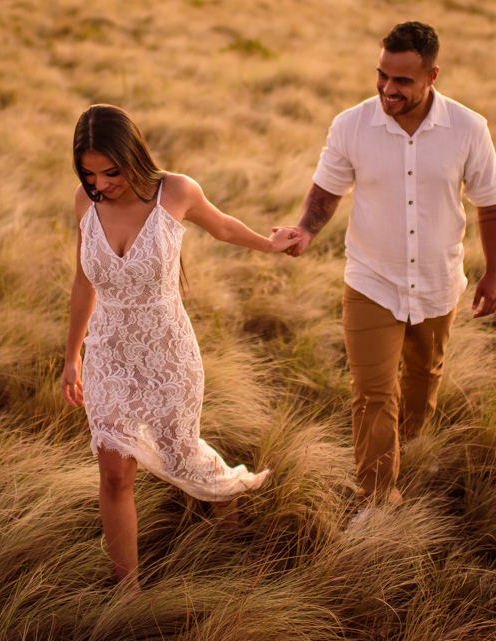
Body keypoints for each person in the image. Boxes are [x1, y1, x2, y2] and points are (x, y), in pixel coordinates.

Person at [275, 21, 496, 523]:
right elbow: (326, 190)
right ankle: (378, 500)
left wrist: (493, 273)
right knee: (373, 394)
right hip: (371, 280)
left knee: (423, 379)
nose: (387, 89)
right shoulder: (351, 125)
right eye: (381, 75)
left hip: (438, 282)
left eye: (402, 80)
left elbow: (491, 203)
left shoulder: (468, 128)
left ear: (432, 76)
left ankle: (411, 447)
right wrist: (305, 230)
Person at [59, 104, 297, 593]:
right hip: (108, 354)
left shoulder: (176, 192)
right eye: (89, 173)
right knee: (114, 474)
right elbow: (83, 282)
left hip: (168, 353)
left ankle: (225, 496)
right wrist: (71, 356)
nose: (100, 184)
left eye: (111, 172)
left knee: (181, 452)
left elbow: (223, 227)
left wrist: (270, 244)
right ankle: (128, 593)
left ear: (133, 155)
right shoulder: (85, 203)